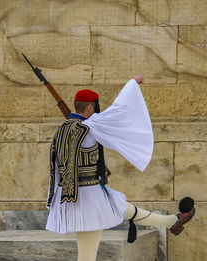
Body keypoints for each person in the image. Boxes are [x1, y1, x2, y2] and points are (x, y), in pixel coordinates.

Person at [45, 75, 195, 261]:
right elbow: (118, 110)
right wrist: (131, 85)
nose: (97, 112)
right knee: (86, 255)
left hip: (72, 195)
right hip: (88, 198)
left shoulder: (62, 130)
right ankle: (173, 222)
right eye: (95, 109)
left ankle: (172, 222)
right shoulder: (90, 126)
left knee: (122, 208)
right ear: (90, 108)